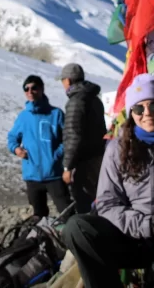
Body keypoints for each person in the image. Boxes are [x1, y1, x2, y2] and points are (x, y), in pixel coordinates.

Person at [62, 74, 154, 288]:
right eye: (139, 108)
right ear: (131, 113)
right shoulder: (117, 149)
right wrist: (145, 224)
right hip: (129, 234)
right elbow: (107, 204)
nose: (147, 114)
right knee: (76, 228)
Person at [7, 75, 71, 218]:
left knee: (67, 212)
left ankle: (70, 238)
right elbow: (12, 137)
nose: (30, 91)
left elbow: (68, 138)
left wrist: (56, 155)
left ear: (42, 89)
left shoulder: (56, 114)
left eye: (34, 88)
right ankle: (43, 240)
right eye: (26, 88)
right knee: (39, 216)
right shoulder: (23, 117)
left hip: (54, 175)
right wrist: (16, 149)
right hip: (32, 176)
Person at [59, 63, 106, 214]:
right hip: (98, 158)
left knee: (85, 203)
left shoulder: (76, 101)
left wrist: (68, 166)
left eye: (63, 80)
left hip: (84, 163)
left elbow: (73, 135)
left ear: (68, 81)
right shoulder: (94, 98)